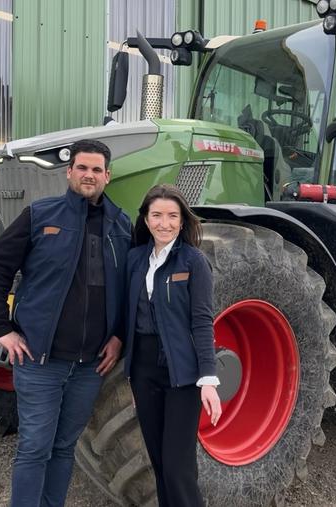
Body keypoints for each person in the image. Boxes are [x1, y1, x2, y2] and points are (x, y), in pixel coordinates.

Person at [0, 139, 131, 507]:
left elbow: (129, 287)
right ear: (69, 172)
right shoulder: (40, 215)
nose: (89, 175)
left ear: (107, 176)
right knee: (34, 448)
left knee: (64, 448)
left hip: (89, 366)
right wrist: (2, 329)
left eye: (97, 169)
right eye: (82, 168)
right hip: (40, 361)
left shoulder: (122, 225)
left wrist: (119, 336)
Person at [124, 184, 222, 507]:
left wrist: (208, 379)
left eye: (172, 216)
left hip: (182, 373)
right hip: (143, 371)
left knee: (179, 468)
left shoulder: (194, 262)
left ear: (182, 221)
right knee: (160, 465)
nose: (164, 223)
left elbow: (202, 321)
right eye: (157, 215)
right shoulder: (135, 260)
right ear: (146, 219)